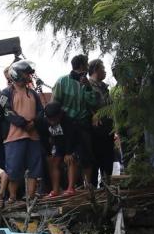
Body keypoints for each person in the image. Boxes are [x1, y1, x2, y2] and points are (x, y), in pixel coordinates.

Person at [0, 60, 43, 203]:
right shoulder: (6, 92)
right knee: (14, 169)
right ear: (17, 74)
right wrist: (23, 124)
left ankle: (30, 197)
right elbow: (5, 111)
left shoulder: (33, 93)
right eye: (26, 73)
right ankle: (12, 197)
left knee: (34, 168)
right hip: (13, 137)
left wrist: (34, 122)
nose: (28, 76)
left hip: (33, 137)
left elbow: (41, 112)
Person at [52, 55, 97, 189]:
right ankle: (71, 187)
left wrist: (88, 88)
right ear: (82, 66)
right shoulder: (62, 81)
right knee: (68, 157)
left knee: (87, 156)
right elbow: (54, 105)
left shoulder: (86, 83)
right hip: (66, 126)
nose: (88, 68)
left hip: (83, 125)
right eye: (87, 65)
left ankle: (88, 186)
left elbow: (93, 103)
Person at [37, 102, 82, 198]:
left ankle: (71, 188)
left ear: (60, 115)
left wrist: (69, 153)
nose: (52, 122)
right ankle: (55, 189)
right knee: (54, 163)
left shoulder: (68, 121)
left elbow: (72, 138)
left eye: (54, 119)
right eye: (50, 120)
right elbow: (44, 137)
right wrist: (49, 152)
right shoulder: (43, 121)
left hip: (73, 144)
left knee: (70, 160)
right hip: (59, 145)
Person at [88, 58, 115, 187]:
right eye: (103, 69)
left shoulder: (104, 87)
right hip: (95, 130)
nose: (105, 71)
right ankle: (94, 191)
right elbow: (87, 104)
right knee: (95, 161)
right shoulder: (88, 86)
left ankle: (107, 188)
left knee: (108, 161)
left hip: (108, 129)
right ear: (96, 69)